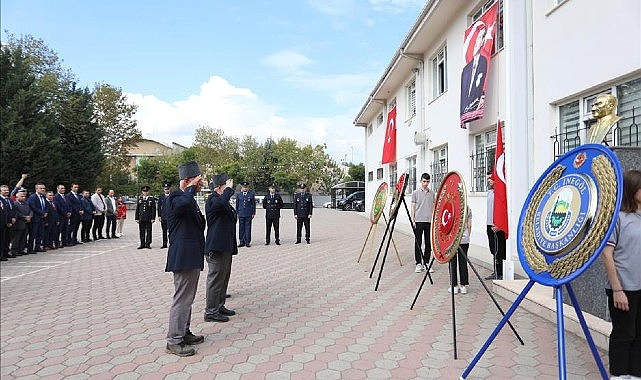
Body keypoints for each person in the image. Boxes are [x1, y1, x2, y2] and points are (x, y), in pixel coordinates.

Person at [602, 169, 641, 379]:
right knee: (624, 334)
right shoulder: (618, 218)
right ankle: (618, 375)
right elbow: (607, 255)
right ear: (632, 189)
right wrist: (617, 289)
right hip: (623, 288)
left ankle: (635, 374)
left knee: (639, 335)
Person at [164, 161, 206, 357]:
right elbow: (181, 206)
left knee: (187, 298)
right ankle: (174, 340)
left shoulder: (188, 199)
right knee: (181, 299)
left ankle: (184, 332)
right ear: (188, 181)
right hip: (182, 256)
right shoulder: (176, 197)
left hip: (192, 255)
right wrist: (189, 188)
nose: (201, 184)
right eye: (198, 181)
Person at [204, 173, 238, 323]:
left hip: (225, 246)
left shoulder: (224, 202)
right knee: (215, 279)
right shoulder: (213, 200)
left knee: (224, 277)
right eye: (226, 185)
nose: (229, 188)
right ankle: (210, 311)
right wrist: (228, 191)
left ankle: (219, 305)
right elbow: (219, 205)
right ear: (219, 187)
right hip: (216, 247)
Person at [460, 24, 488, 117]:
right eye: (476, 38)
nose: (476, 42)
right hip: (467, 110)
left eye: (479, 38)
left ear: (483, 41)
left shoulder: (483, 62)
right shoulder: (466, 70)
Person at [411, 173, 435, 273]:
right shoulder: (415, 193)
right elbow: (413, 206)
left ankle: (426, 262)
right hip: (418, 220)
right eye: (424, 181)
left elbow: (433, 207)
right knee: (418, 242)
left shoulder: (432, 193)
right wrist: (413, 219)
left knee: (428, 243)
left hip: (429, 221)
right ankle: (418, 263)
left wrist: (434, 220)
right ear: (421, 181)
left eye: (427, 181)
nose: (425, 183)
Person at [486, 174, 506, 280]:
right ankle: (496, 271)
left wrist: (499, 224)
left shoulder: (500, 193)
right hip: (489, 224)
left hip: (497, 226)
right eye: (488, 178)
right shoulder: (489, 193)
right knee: (493, 249)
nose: (489, 180)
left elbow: (503, 209)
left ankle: (500, 272)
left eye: (491, 178)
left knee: (499, 250)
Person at [449, 205, 472, 294]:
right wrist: (467, 235)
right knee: (463, 262)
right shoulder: (467, 208)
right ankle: (463, 286)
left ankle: (454, 286)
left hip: (452, 239)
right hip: (464, 238)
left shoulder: (452, 206)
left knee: (452, 262)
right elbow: (469, 225)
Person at [27, 182, 48, 253]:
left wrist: (45, 212)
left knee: (40, 233)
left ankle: (37, 247)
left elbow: (46, 205)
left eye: (44, 188)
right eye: (41, 188)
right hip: (35, 218)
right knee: (33, 234)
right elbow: (33, 207)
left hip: (42, 218)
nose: (43, 189)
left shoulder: (43, 197)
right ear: (36, 189)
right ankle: (30, 248)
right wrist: (42, 213)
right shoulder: (32, 197)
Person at [10, 189, 32, 256]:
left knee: (24, 237)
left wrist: (30, 216)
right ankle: (14, 250)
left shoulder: (26, 204)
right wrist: (24, 217)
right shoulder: (15, 204)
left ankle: (21, 249)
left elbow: (30, 210)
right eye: (22, 196)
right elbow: (17, 213)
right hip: (18, 223)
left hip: (26, 223)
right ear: (17, 197)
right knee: (17, 238)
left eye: (24, 196)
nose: (24, 197)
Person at [236, 181, 255, 248]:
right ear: (242, 187)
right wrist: (237, 213)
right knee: (241, 228)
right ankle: (241, 241)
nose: (245, 188)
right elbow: (237, 205)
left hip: (248, 213)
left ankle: (247, 241)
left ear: (248, 187)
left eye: (246, 187)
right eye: (244, 187)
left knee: (248, 228)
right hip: (241, 213)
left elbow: (253, 204)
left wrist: (253, 213)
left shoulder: (251, 194)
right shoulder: (239, 195)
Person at [157, 183, 172, 248]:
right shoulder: (161, 197)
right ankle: (164, 244)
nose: (166, 190)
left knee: (171, 231)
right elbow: (159, 207)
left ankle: (172, 243)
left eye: (167, 189)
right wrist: (159, 215)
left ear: (170, 189)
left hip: (171, 217)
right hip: (163, 216)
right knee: (164, 231)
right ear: (163, 189)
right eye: (165, 189)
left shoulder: (172, 196)